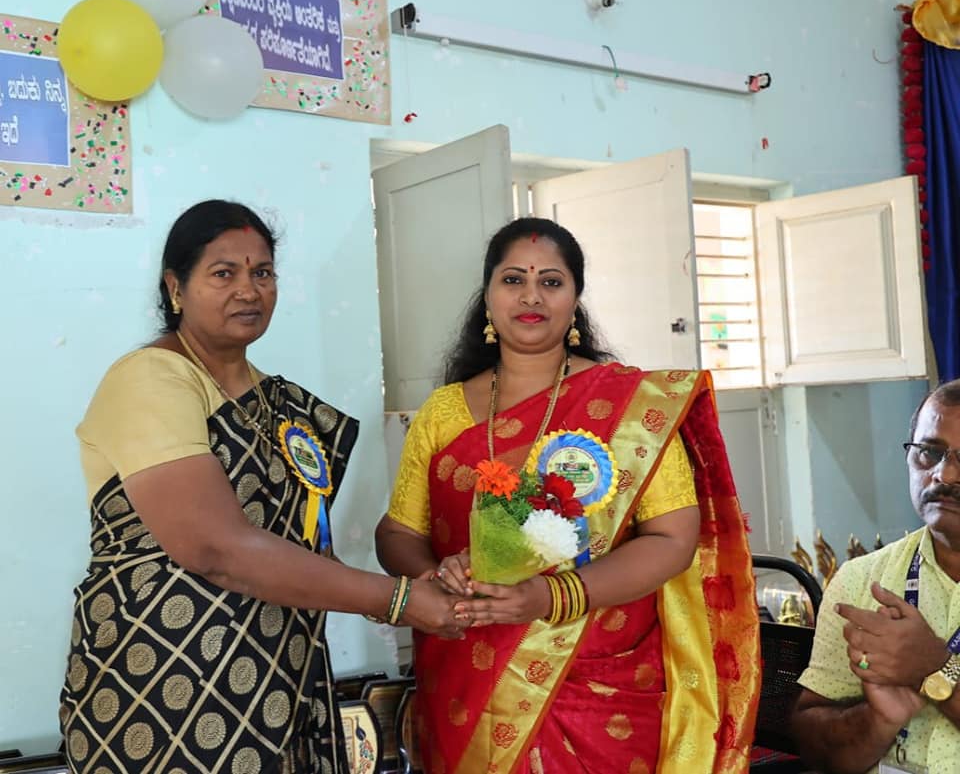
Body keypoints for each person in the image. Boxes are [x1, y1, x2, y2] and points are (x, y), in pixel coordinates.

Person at [59, 200, 467, 774]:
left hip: (281, 676)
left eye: (262, 272)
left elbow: (301, 545)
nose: (248, 290)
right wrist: (398, 600)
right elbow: (214, 549)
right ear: (176, 287)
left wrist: (433, 582)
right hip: (164, 686)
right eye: (223, 273)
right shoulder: (151, 379)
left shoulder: (280, 404)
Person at [375, 217, 760, 774]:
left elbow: (674, 538)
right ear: (487, 297)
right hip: (468, 678)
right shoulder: (443, 412)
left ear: (575, 298)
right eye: (513, 280)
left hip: (600, 685)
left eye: (551, 282)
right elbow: (398, 534)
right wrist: (437, 575)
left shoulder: (629, 407)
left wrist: (555, 597)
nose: (531, 295)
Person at [793, 380, 960, 774]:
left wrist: (934, 668)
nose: (945, 475)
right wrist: (876, 719)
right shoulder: (862, 579)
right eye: (929, 453)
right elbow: (812, 746)